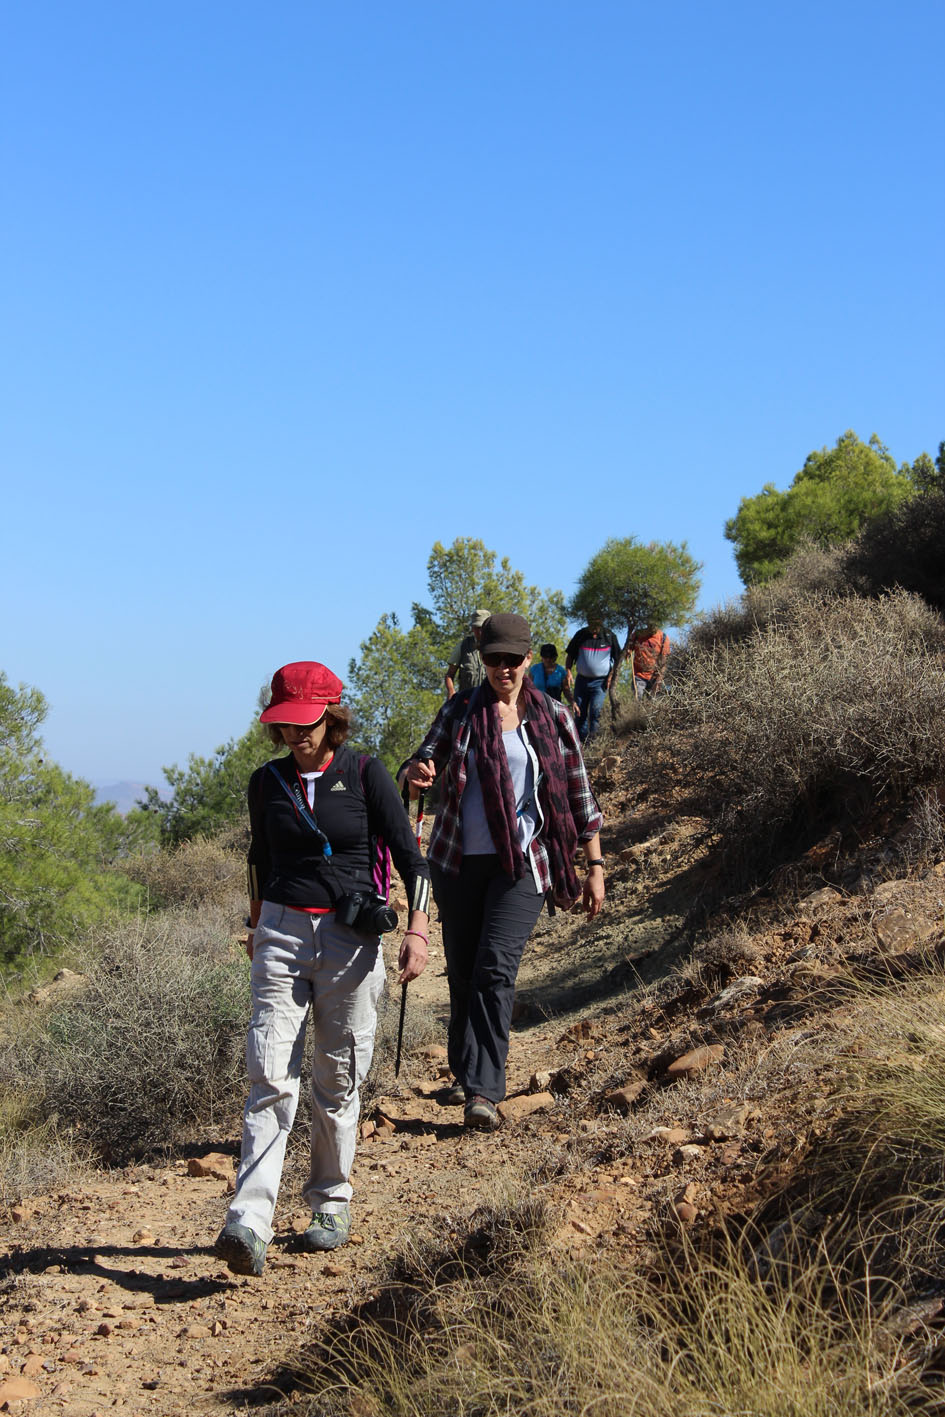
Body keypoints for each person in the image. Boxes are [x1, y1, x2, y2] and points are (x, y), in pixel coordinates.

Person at [215, 661, 431, 1277]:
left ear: (331, 717)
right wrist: (258, 929)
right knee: (269, 1074)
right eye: (285, 725)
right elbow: (259, 858)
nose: (297, 736)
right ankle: (248, 1221)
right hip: (281, 934)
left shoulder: (364, 774)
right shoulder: (266, 782)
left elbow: (414, 862)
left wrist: (416, 930)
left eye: (307, 723)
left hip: (350, 938)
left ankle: (330, 1204)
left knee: (337, 1078)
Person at [400, 614, 604, 1132]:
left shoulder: (554, 716)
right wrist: (417, 773)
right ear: (483, 661)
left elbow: (579, 794)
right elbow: (425, 758)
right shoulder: (462, 710)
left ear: (528, 660)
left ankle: (484, 1090)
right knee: (465, 972)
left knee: (495, 968)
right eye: (494, 660)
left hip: (525, 863)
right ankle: (466, 1067)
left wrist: (594, 864)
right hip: (459, 861)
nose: (503, 669)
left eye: (513, 660)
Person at [565, 618, 621, 742]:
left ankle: (594, 743)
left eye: (597, 623)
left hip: (600, 683)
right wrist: (568, 671)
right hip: (581, 681)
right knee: (579, 713)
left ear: (601, 622)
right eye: (592, 623)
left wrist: (611, 675)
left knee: (596, 712)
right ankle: (581, 743)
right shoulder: (581, 635)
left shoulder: (609, 636)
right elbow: (570, 654)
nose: (594, 626)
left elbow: (618, 658)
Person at [445, 609, 489, 698]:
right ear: (472, 628)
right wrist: (451, 692)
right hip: (467, 701)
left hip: (490, 701)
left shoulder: (497, 647)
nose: (480, 632)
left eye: (483, 628)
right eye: (477, 628)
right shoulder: (463, 646)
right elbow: (449, 675)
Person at [630, 625, 670, 698]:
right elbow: (628, 649)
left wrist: (659, 680)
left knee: (653, 705)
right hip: (638, 676)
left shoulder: (663, 638)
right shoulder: (637, 634)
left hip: (654, 678)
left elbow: (664, 662)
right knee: (637, 704)